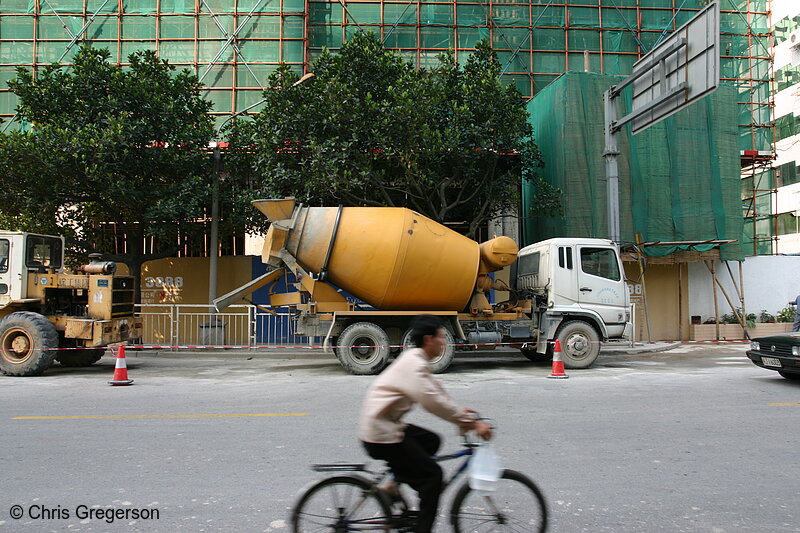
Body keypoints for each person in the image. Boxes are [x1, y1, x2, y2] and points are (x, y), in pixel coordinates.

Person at [358, 315, 492, 533]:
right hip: (380, 433)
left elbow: (436, 391)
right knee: (433, 478)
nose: (444, 341)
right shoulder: (415, 364)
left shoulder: (416, 359)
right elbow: (432, 401)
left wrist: (461, 414)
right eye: (441, 337)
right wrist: (470, 423)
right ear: (429, 339)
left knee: (431, 441)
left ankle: (391, 486)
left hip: (384, 424)